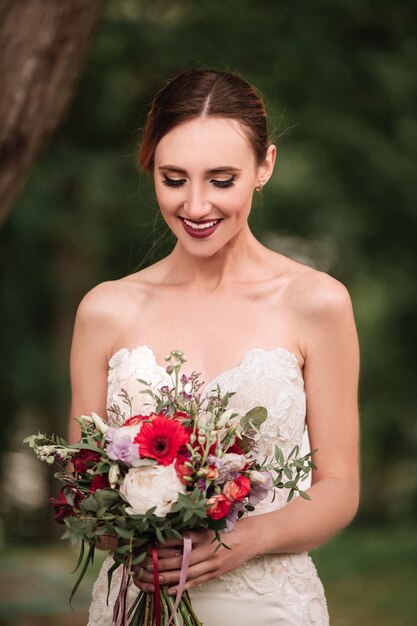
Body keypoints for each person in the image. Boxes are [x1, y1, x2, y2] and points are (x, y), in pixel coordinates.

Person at [69, 68, 360, 626]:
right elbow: (84, 488)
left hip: (267, 606)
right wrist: (132, 531)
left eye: (221, 180)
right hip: (138, 603)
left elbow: (339, 486)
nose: (196, 206)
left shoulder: (317, 303)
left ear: (264, 167)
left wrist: (246, 538)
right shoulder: (105, 310)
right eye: (173, 178)